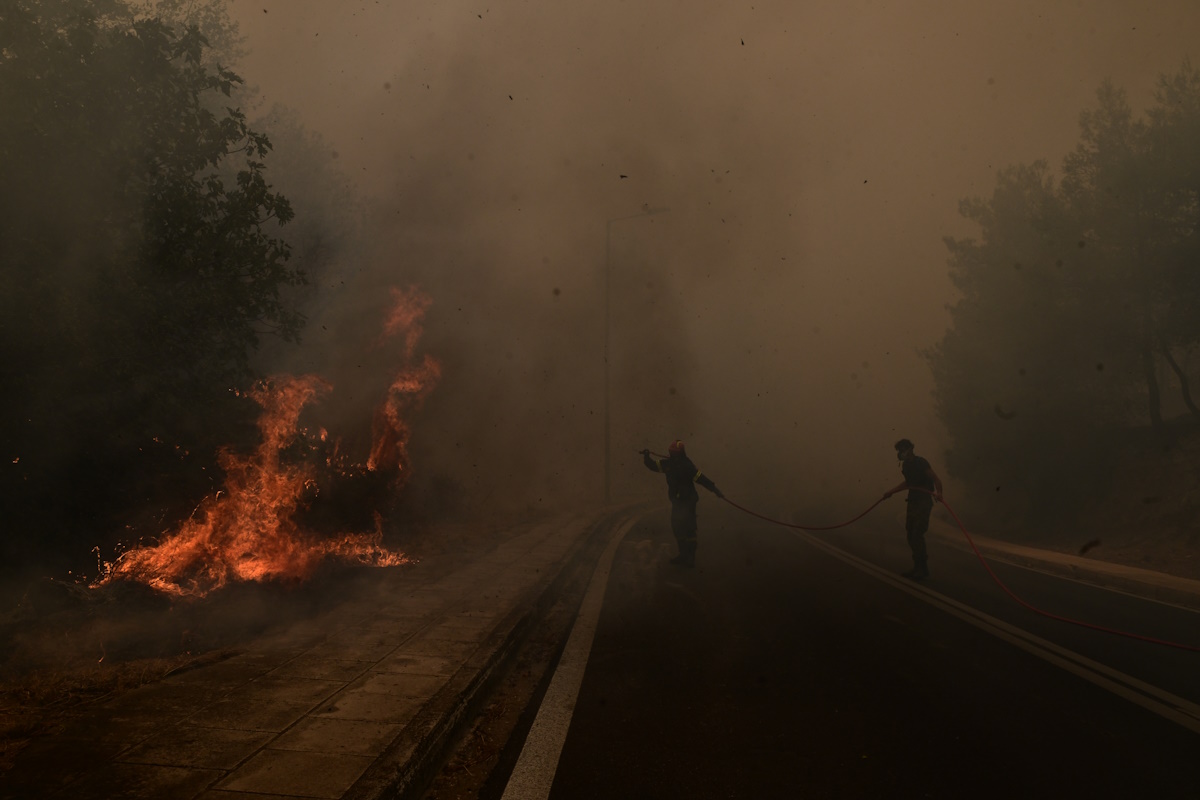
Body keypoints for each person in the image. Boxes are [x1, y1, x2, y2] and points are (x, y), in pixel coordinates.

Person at [641, 440, 723, 567]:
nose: (672, 454)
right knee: (678, 527)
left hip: (688, 501)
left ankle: (690, 558)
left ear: (680, 453)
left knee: (689, 528)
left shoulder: (686, 465)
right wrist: (646, 456)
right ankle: (684, 555)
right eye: (671, 452)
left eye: (674, 452)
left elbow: (700, 478)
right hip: (678, 501)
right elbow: (653, 465)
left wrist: (714, 489)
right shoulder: (668, 464)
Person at [883, 438, 943, 580]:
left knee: (917, 533)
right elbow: (908, 483)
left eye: (902, 449)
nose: (900, 453)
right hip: (913, 501)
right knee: (910, 534)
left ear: (909, 449)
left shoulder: (921, 462)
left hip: (923, 502)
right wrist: (891, 491)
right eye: (898, 450)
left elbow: (936, 479)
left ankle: (922, 569)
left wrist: (939, 493)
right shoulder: (906, 466)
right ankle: (918, 567)